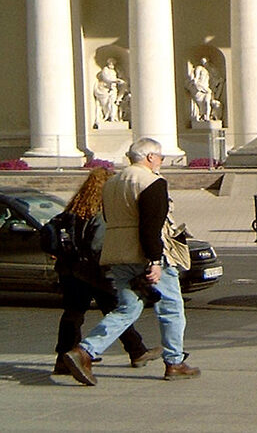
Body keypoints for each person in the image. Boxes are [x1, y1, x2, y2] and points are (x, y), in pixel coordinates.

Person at [61, 137, 199, 384]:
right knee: (171, 308)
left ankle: (84, 351)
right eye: (160, 158)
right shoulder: (152, 182)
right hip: (145, 255)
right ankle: (175, 362)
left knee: (127, 309)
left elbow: (109, 218)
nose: (161, 163)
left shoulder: (112, 184)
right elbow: (150, 226)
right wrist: (155, 260)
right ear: (149, 157)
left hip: (117, 253)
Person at [48, 167, 157, 375]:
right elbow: (98, 246)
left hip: (70, 270)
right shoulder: (100, 214)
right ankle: (136, 351)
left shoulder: (73, 211)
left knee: (74, 314)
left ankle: (63, 358)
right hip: (94, 273)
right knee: (116, 310)